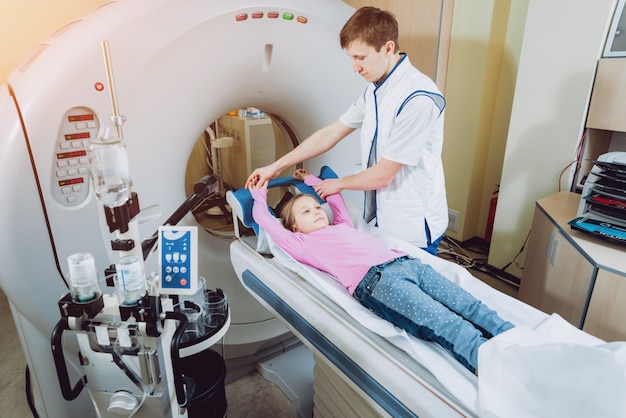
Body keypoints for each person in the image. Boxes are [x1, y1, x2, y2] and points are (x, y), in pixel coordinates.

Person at [249, 169, 513, 374]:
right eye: (306, 212)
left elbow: (335, 198)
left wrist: (310, 178)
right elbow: (263, 218)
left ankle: (515, 340)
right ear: (294, 228)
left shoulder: (343, 225)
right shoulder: (300, 243)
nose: (317, 211)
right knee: (445, 322)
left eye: (317, 207)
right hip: (378, 282)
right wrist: (258, 192)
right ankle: (497, 369)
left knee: (467, 304)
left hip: (407, 263)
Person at [245, 6, 448, 255]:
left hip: (413, 224)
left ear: (388, 48)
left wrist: (337, 184)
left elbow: (384, 175)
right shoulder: (374, 90)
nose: (355, 67)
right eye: (351, 58)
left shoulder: (419, 99)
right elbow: (331, 133)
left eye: (360, 58)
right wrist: (275, 167)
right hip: (383, 218)